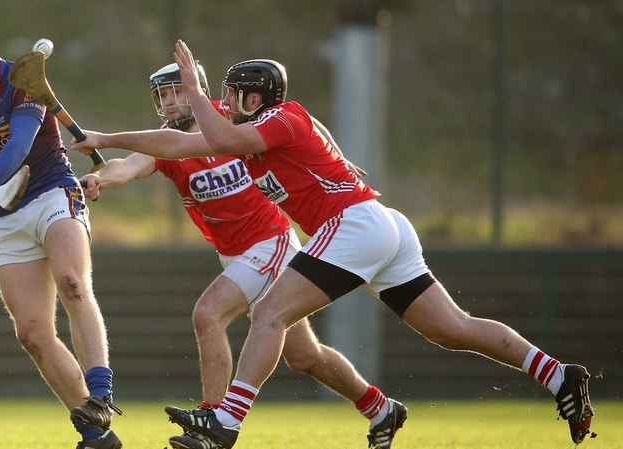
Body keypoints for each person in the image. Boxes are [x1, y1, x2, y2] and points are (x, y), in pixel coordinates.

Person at [71, 40, 596, 449]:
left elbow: (220, 137)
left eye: (233, 96)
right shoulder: (267, 123)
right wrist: (104, 139)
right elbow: (176, 142)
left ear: (255, 98)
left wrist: (190, 82)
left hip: (350, 227)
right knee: (449, 330)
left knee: (268, 315)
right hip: (376, 224)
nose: (225, 104)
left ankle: (224, 421)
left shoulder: (271, 122)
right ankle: (558, 375)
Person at [82, 62, 379, 449]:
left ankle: (212, 419)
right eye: (163, 96)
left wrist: (336, 154)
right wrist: (98, 178)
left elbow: (299, 118)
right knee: (304, 356)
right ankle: (380, 407)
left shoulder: (232, 120)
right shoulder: (166, 142)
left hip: (271, 242)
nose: (170, 102)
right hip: (235, 256)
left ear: (199, 90)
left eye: (177, 91)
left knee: (208, 315)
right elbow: (129, 165)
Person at [0, 10, 123, 449]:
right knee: (33, 334)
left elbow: (18, 145)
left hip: (53, 191)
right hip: (9, 214)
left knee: (73, 283)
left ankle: (100, 394)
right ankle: (98, 435)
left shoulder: (22, 78)